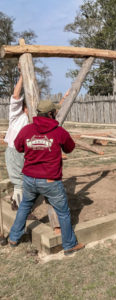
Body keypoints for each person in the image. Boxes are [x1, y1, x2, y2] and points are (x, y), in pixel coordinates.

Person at [9, 100, 84, 255]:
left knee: (24, 206)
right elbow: (70, 148)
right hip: (50, 180)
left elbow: (18, 146)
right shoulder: (59, 131)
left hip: (29, 178)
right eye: (54, 112)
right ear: (50, 113)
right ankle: (69, 245)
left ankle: (14, 238)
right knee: (63, 212)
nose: (56, 114)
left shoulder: (27, 130)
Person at [4, 72, 29, 210]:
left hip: (23, 152)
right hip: (14, 150)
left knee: (23, 179)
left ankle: (15, 201)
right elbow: (15, 96)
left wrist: (64, 98)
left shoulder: (32, 119)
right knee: (19, 181)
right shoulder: (16, 115)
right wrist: (22, 76)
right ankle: (21, 209)